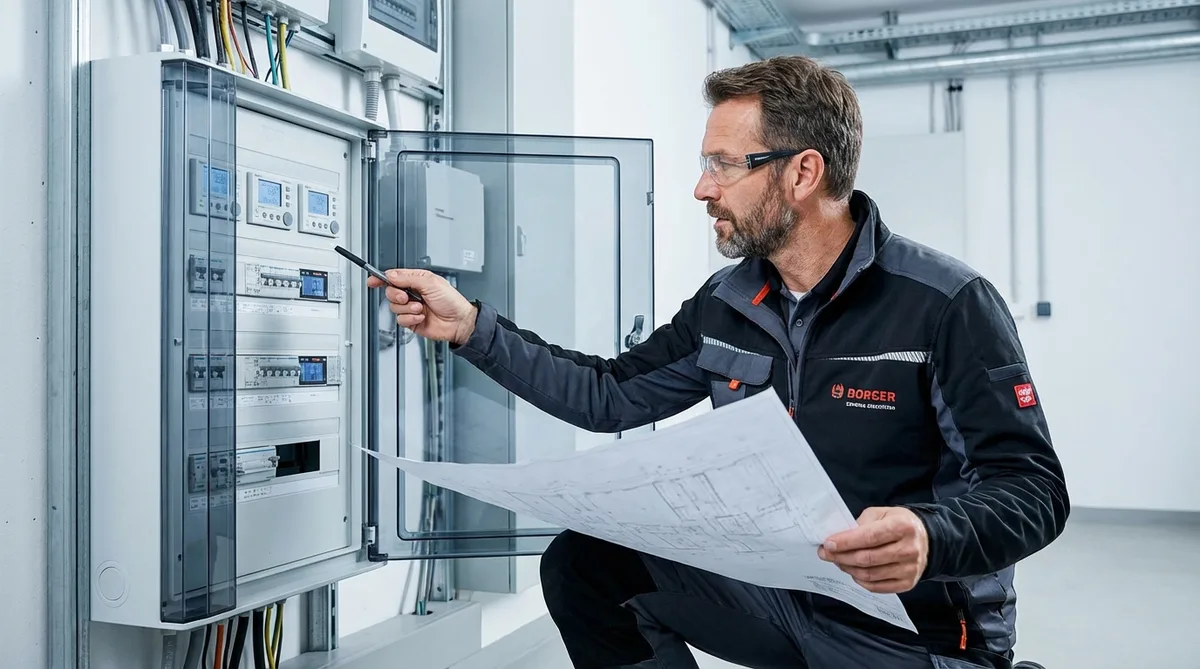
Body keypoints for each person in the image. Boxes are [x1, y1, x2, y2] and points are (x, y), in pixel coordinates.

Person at [369, 55, 1069, 669]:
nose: (703, 189)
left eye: (724, 165)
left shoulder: (946, 304)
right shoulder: (728, 301)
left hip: (914, 636)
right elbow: (609, 395)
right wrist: (470, 328)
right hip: (784, 600)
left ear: (802, 171)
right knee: (585, 565)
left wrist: (930, 536)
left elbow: (1034, 488)